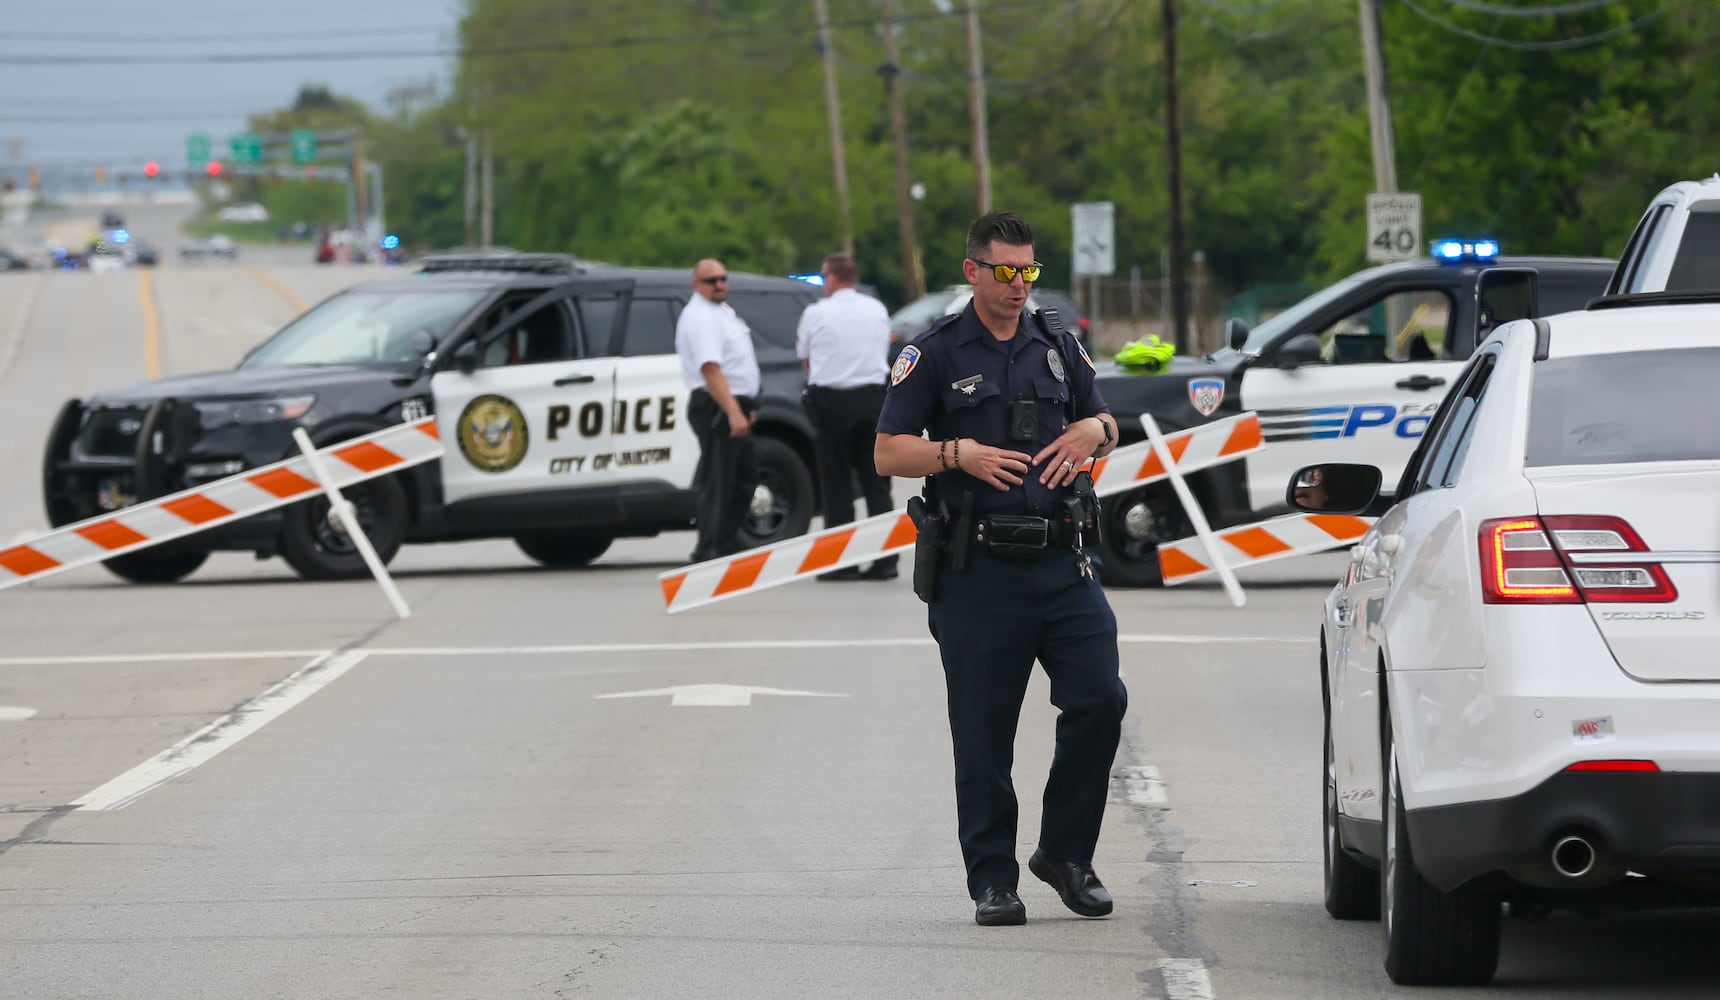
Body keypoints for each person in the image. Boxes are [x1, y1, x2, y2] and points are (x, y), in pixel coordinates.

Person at [875, 211, 1127, 927]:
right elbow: (889, 451)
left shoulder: (1057, 345)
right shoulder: (937, 353)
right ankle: (993, 878)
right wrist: (958, 455)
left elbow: (1107, 422)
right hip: (978, 571)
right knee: (984, 734)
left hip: (1062, 560)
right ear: (973, 272)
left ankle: (1066, 855)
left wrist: (1093, 430)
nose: (1019, 285)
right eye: (1006, 271)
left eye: (1029, 271)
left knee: (1099, 700)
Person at [796, 251, 899, 581]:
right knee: (877, 483)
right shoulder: (876, 308)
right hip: (872, 398)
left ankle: (842, 562)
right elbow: (882, 350)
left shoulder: (816, 313)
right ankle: (886, 561)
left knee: (836, 485)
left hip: (832, 401)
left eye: (824, 277)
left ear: (833, 277)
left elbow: (805, 358)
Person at [675, 257, 761, 563]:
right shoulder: (700, 318)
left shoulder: (721, 311)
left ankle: (725, 543)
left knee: (744, 477)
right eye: (711, 281)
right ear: (696, 284)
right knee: (719, 481)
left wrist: (746, 406)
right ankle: (709, 549)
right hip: (717, 405)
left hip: (733, 403)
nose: (720, 285)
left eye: (723, 278)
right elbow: (711, 369)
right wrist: (733, 412)